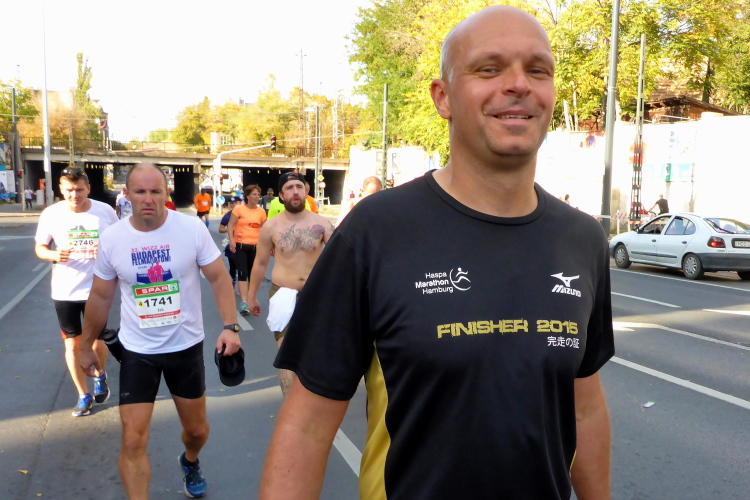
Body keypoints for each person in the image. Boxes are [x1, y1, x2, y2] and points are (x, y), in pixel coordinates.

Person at [259, 6, 614, 500]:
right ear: (442, 97)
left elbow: (584, 406)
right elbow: (307, 427)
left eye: (538, 70)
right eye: (489, 69)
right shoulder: (375, 232)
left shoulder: (582, 239)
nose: (519, 84)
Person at [78, 163, 241, 499]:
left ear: (167, 192)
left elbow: (218, 277)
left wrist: (230, 326)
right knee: (132, 438)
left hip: (185, 348)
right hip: (138, 352)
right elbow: (100, 296)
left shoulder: (190, 229)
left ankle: (190, 460)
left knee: (196, 431)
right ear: (127, 195)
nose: (148, 198)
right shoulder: (113, 239)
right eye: (140, 191)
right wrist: (85, 346)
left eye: (156, 191)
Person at [34, 166, 118, 417]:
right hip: (65, 290)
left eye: (79, 190)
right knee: (73, 345)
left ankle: (99, 375)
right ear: (61, 189)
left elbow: (119, 240)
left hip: (97, 289)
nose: (74, 195)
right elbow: (40, 248)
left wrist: (105, 250)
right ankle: (83, 395)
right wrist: (53, 255)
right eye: (69, 190)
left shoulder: (104, 211)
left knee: (98, 343)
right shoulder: (51, 214)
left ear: (88, 189)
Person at [247, 171, 334, 398]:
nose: (295, 192)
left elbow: (340, 260)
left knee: (316, 352)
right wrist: (251, 296)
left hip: (316, 295)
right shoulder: (271, 227)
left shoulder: (322, 224)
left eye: (299, 187)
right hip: (283, 293)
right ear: (281, 195)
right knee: (286, 352)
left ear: (306, 191)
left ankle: (312, 401)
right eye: (289, 188)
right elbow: (260, 263)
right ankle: (289, 404)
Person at [227, 185, 267, 315]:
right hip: (240, 247)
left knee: (252, 275)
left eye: (258, 194)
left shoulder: (261, 212)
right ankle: (244, 302)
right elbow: (231, 225)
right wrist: (232, 241)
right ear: (248, 196)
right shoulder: (239, 209)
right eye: (254, 194)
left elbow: (265, 230)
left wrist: (269, 245)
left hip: (255, 247)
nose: (257, 197)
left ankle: (251, 299)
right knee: (242, 273)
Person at [218, 196, 240, 291]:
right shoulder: (227, 216)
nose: (234, 204)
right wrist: (230, 229)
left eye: (236, 202)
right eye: (232, 203)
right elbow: (220, 229)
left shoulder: (244, 214)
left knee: (242, 266)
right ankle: (234, 279)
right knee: (233, 265)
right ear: (229, 205)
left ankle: (242, 285)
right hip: (231, 243)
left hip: (244, 243)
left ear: (240, 203)